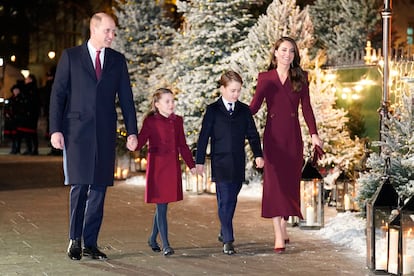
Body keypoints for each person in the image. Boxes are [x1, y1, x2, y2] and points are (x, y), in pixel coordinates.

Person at [49, 12, 138, 261]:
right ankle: (74, 240)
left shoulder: (117, 61)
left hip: (105, 133)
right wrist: (55, 129)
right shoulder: (71, 57)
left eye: (113, 32)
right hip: (76, 132)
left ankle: (90, 242)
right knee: (79, 185)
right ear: (94, 30)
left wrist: (132, 131)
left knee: (99, 188)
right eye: (108, 31)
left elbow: (127, 100)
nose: (112, 36)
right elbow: (58, 95)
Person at [249, 37, 323, 253]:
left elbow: (306, 108)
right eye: (283, 50)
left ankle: (283, 223)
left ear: (294, 55)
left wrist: (314, 134)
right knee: (274, 185)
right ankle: (278, 234)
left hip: (293, 138)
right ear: (275, 52)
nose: (287, 54)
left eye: (291, 51)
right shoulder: (265, 78)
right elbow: (254, 107)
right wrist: (232, 111)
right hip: (272, 139)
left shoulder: (301, 77)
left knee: (289, 184)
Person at [196, 71, 264, 255]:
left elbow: (252, 134)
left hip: (237, 162)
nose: (236, 94)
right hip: (220, 162)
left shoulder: (244, 110)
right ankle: (228, 239)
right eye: (232, 90)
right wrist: (199, 161)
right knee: (225, 199)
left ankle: (223, 229)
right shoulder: (213, 110)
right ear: (222, 89)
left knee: (230, 200)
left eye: (238, 91)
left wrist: (258, 154)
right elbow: (204, 137)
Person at [135, 88, 196, 256]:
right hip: (157, 168)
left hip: (172, 167)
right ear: (157, 104)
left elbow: (182, 145)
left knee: (162, 205)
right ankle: (166, 245)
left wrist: (191, 165)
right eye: (167, 101)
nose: (172, 104)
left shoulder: (178, 121)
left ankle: (153, 238)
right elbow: (140, 142)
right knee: (161, 206)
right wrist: (133, 143)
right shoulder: (150, 121)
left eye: (172, 101)